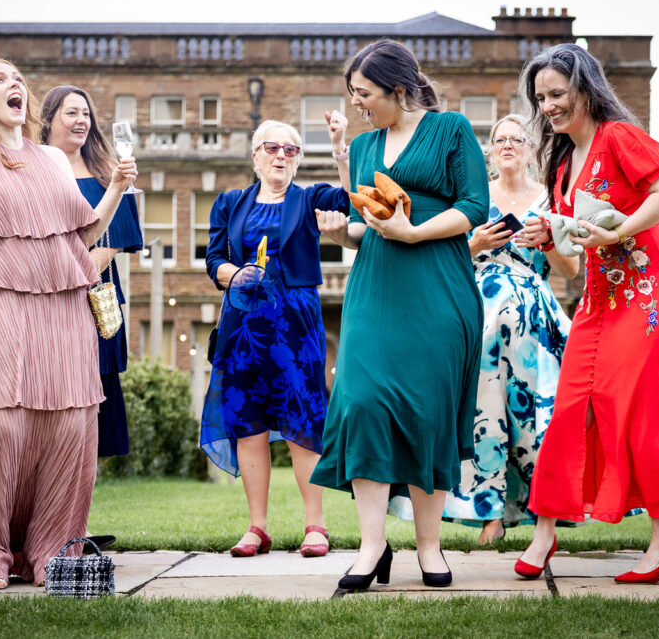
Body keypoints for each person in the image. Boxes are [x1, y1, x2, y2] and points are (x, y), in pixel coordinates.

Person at [515, 44, 659, 584]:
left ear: (585, 88)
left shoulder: (619, 137)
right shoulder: (560, 165)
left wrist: (619, 230)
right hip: (597, 304)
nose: (549, 107)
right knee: (567, 413)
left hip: (650, 296)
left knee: (639, 411)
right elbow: (573, 271)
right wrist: (547, 239)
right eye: (540, 99)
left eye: (557, 94)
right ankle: (545, 533)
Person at [0, 59, 136, 589]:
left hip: (65, 300)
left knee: (71, 425)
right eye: (0, 80)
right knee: (5, 426)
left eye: (18, 79)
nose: (15, 85)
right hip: (3, 295)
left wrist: (114, 187)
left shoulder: (51, 157)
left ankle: (51, 550)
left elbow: (86, 234)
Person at [311, 39, 489, 590]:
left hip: (438, 286)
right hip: (376, 287)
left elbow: (474, 207)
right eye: (353, 94)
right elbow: (370, 224)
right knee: (361, 403)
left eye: (365, 93)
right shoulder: (364, 148)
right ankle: (372, 544)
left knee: (426, 413)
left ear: (399, 88)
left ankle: (429, 547)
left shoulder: (451, 129)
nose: (358, 103)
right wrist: (344, 232)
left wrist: (414, 232)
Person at [389, 115, 577, 545]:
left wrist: (547, 239)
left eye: (517, 139)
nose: (507, 144)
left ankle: (539, 512)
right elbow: (445, 256)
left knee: (536, 415)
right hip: (479, 310)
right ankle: (487, 511)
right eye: (499, 139)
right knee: (481, 412)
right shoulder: (474, 198)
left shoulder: (551, 199)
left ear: (532, 149)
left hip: (535, 317)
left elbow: (572, 269)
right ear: (489, 151)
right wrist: (475, 244)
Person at [201, 117, 350, 558]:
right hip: (242, 328)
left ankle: (315, 526)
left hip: (295, 328)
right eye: (272, 148)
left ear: (299, 159)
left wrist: (340, 148)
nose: (281, 156)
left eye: (291, 150)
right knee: (248, 424)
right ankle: (257, 527)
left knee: (301, 423)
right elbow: (213, 259)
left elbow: (351, 199)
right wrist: (234, 273)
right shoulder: (230, 203)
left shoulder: (309, 199)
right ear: (255, 156)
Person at [40, 85, 142, 460]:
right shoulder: (33, 167)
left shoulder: (108, 171)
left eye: (86, 114)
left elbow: (121, 237)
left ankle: (78, 508)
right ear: (48, 119)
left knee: (92, 408)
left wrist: (76, 270)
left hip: (96, 303)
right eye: (71, 112)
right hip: (45, 301)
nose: (82, 120)